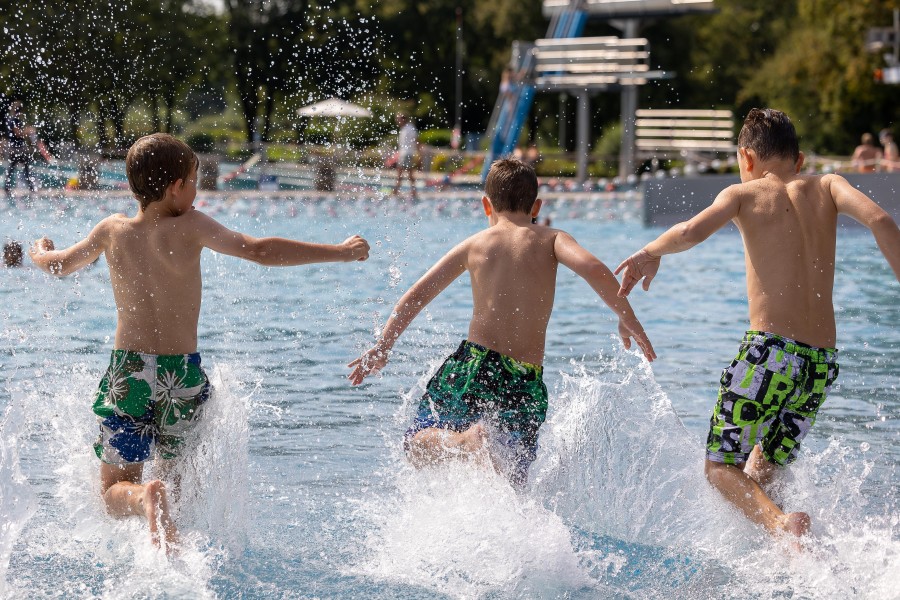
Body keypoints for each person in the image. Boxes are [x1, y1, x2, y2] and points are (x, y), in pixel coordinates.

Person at [28, 133, 370, 551]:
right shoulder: (191, 226)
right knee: (178, 481)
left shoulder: (111, 231)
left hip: (128, 374)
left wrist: (39, 251)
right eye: (194, 181)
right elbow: (259, 251)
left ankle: (143, 500)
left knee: (114, 491)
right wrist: (339, 251)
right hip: (181, 374)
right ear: (176, 187)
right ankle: (172, 539)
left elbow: (60, 265)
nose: (197, 189)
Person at [615, 109, 900, 543]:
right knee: (765, 469)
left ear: (746, 157)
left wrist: (649, 251)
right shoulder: (828, 185)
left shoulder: (742, 194)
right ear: (799, 160)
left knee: (720, 468)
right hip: (819, 364)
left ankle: (784, 526)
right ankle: (787, 549)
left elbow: (690, 231)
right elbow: (881, 220)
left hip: (770, 354)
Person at [349, 158, 655, 486]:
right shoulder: (552, 239)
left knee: (416, 444)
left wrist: (383, 346)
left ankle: (461, 441)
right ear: (536, 206)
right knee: (511, 479)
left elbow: (415, 296)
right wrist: (627, 317)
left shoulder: (475, 244)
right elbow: (594, 269)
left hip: (475, 365)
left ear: (486, 205)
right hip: (525, 378)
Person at [4, 101, 36, 196]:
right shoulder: (14, 120)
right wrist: (28, 131)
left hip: (16, 148)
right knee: (23, 166)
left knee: (14, 167)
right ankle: (30, 187)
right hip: (17, 149)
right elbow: (18, 133)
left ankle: (7, 187)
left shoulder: (13, 120)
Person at [392, 113, 419, 200]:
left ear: (404, 119)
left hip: (407, 153)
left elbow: (416, 140)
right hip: (404, 153)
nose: (397, 121)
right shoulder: (404, 128)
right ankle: (412, 191)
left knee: (403, 172)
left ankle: (396, 191)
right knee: (407, 173)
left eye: (398, 119)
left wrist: (419, 153)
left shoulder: (410, 128)